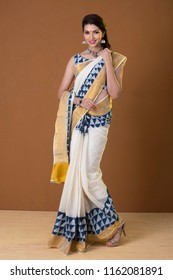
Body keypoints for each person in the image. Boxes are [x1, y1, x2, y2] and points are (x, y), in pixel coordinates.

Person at [47, 14, 127, 255]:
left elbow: (115, 92)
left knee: (90, 173)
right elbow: (61, 91)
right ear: (83, 35)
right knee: (78, 175)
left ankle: (114, 224)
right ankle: (94, 229)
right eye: (87, 32)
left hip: (99, 121)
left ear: (103, 33)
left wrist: (107, 62)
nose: (91, 37)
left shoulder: (114, 58)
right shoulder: (75, 60)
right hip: (78, 120)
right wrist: (80, 99)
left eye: (95, 32)